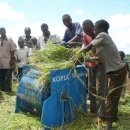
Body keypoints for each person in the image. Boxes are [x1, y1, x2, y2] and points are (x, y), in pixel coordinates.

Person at [80, 20, 127, 130]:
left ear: (101, 29)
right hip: (114, 72)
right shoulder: (102, 41)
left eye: (95, 28)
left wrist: (76, 53)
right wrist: (89, 58)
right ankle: (112, 118)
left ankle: (109, 126)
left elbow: (87, 48)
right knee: (112, 97)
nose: (94, 30)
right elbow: (101, 58)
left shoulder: (103, 35)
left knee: (111, 98)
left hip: (118, 72)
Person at [82, 20, 107, 121]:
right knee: (91, 87)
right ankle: (93, 111)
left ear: (93, 27)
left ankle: (101, 114)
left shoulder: (101, 35)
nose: (87, 32)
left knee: (100, 88)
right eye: (85, 31)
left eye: (88, 30)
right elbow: (85, 48)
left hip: (101, 64)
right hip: (90, 65)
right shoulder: (85, 36)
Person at [0, 27, 16, 92]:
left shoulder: (9, 39)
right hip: (0, 63)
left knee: (8, 77)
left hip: (8, 62)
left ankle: (8, 90)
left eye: (4, 31)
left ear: (5, 31)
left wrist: (12, 60)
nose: (3, 32)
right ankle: (2, 90)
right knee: (1, 77)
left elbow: (13, 50)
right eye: (1, 31)